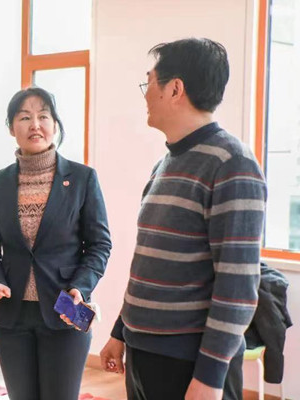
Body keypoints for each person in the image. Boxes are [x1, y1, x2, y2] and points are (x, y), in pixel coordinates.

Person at [100, 38, 267, 400]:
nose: (145, 95)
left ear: (175, 89)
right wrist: (120, 331)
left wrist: (209, 377)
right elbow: (148, 263)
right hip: (145, 351)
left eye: (149, 83)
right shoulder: (165, 164)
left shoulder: (232, 163)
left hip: (190, 363)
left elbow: (237, 285)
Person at [0, 87, 112, 400]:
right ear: (12, 128)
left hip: (66, 309)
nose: (35, 125)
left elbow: (99, 245)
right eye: (24, 117)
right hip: (11, 313)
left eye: (43, 116)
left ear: (55, 124)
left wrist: (80, 288)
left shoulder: (83, 178)